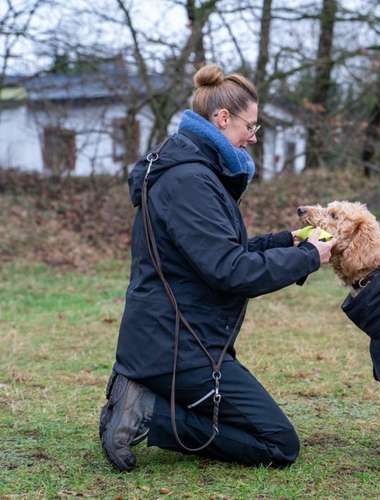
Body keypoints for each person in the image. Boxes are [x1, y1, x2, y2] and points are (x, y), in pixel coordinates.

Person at [98, 64, 335, 472]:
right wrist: (310, 256)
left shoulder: (192, 172)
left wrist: (289, 241)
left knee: (261, 430)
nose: (253, 137)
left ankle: (151, 395)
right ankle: (148, 410)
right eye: (250, 126)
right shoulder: (190, 181)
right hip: (178, 348)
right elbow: (231, 270)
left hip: (180, 338)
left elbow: (222, 251)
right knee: (278, 444)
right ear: (222, 119)